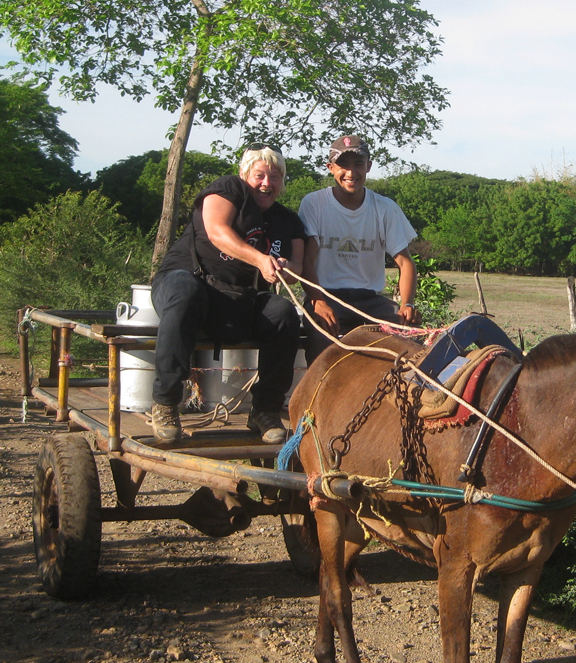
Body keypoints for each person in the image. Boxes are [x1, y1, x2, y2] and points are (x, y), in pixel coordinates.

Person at [150, 144, 305, 445]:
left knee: (283, 314)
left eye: (275, 177)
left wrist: (286, 267)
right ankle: (166, 401)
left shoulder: (287, 220)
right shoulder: (228, 188)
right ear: (244, 175)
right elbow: (217, 231)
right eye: (259, 175)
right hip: (189, 283)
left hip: (240, 300)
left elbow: (299, 264)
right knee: (186, 293)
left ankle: (265, 410)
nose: (266, 183)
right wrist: (260, 259)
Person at [298, 134, 420, 364]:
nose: (351, 173)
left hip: (370, 301)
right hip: (328, 295)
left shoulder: (385, 208)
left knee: (411, 343)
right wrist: (317, 301)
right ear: (331, 168)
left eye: (358, 165)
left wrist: (408, 304)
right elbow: (307, 260)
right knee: (322, 344)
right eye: (343, 165)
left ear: (369, 166)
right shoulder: (314, 203)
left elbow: (405, 263)